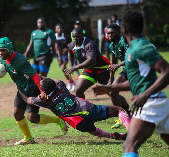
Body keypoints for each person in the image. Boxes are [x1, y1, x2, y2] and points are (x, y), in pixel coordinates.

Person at [92, 10, 169, 157]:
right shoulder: (133, 47)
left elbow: (167, 71)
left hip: (150, 103)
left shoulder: (141, 47)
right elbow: (136, 81)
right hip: (157, 102)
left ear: (123, 29)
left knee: (129, 145)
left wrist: (144, 95)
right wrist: (109, 88)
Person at [0, 37, 67, 145]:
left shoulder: (21, 60)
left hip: (33, 89)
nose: (0, 53)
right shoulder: (2, 59)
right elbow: (8, 69)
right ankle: (28, 138)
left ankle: (58, 120)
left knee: (32, 118)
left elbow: (35, 76)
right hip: (22, 89)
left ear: (10, 49)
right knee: (17, 114)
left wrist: (42, 91)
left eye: (3, 50)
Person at [19, 78, 131, 141]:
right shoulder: (60, 85)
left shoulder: (43, 100)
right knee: (117, 110)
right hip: (88, 110)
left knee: (93, 131)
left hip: (78, 123)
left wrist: (20, 89)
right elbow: (55, 81)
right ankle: (132, 131)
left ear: (43, 91)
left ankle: (113, 135)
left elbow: (28, 100)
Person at [64, 27, 110, 99]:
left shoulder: (89, 44)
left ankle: (127, 109)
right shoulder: (72, 45)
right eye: (73, 37)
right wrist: (71, 66)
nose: (75, 39)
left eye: (78, 36)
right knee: (78, 90)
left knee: (112, 93)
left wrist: (75, 67)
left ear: (83, 35)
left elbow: (91, 60)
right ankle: (85, 108)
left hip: (102, 70)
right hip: (89, 71)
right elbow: (70, 53)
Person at [106, 23, 130, 129]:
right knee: (112, 91)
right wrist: (110, 81)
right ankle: (124, 116)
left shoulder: (123, 41)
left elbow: (131, 56)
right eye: (108, 33)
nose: (110, 35)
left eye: (112, 33)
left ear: (119, 32)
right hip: (127, 69)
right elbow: (113, 64)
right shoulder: (112, 46)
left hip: (137, 68)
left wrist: (118, 65)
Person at [54, 23, 76, 92]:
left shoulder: (65, 37)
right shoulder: (53, 37)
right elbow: (51, 45)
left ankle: (72, 83)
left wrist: (67, 48)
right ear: (55, 30)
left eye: (60, 28)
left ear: (62, 29)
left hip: (65, 55)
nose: (59, 29)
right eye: (58, 28)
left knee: (63, 68)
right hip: (58, 55)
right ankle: (70, 82)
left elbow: (71, 44)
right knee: (63, 70)